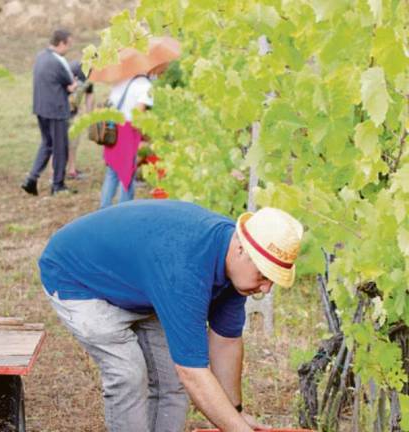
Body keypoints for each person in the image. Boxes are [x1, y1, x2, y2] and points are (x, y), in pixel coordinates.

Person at [39, 201, 304, 431]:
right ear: (240, 249)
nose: (266, 288)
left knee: (171, 382)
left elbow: (226, 342)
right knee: (129, 374)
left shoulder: (236, 270)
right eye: (264, 275)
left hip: (143, 285)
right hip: (78, 279)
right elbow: (193, 373)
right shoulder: (186, 270)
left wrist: (235, 413)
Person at [21, 29, 78, 196]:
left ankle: (31, 178)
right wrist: (74, 87)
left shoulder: (40, 57)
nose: (69, 48)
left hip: (41, 108)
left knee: (47, 143)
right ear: (61, 43)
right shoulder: (58, 61)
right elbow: (70, 83)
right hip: (57, 110)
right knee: (60, 147)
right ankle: (58, 184)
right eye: (68, 44)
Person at [98, 67, 159, 208]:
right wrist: (147, 136)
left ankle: (103, 209)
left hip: (113, 129)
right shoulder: (145, 86)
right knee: (127, 173)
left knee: (112, 172)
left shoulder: (121, 80)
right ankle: (124, 211)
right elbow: (138, 114)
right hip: (128, 132)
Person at [66, 60, 94, 180]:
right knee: (59, 143)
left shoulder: (91, 73)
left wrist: (89, 115)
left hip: (74, 113)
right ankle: (55, 172)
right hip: (59, 112)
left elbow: (89, 94)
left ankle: (72, 170)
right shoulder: (74, 68)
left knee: (74, 142)